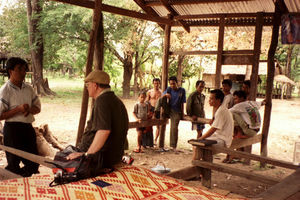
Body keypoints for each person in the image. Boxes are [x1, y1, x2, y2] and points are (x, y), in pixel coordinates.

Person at [66, 70, 129, 177]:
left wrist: (87, 155)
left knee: (62, 160)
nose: (87, 88)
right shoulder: (117, 101)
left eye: (88, 85)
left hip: (101, 159)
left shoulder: (102, 101)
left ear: (95, 85)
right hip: (113, 156)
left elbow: (104, 131)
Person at [0, 57, 41, 177]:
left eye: (24, 69)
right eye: (19, 69)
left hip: (27, 128)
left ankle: (25, 181)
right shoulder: (5, 91)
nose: (23, 73)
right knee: (14, 163)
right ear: (10, 71)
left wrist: (29, 110)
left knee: (33, 162)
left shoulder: (28, 89)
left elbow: (37, 108)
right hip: (12, 129)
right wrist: (17, 110)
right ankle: (15, 186)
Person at [193, 89, 233, 160]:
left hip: (223, 139)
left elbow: (213, 129)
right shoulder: (220, 109)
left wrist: (200, 138)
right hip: (219, 136)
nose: (209, 100)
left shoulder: (221, 111)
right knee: (197, 145)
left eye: (211, 99)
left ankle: (196, 165)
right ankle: (198, 165)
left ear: (218, 100)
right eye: (209, 98)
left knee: (198, 146)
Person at [155, 76, 186, 152]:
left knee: (174, 128)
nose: (172, 85)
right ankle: (157, 111)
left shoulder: (182, 90)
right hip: (168, 109)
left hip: (176, 111)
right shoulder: (169, 89)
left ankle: (173, 146)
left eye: (173, 84)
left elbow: (182, 102)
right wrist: (166, 95)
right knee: (161, 98)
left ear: (177, 83)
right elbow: (162, 96)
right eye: (171, 84)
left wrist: (182, 113)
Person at [146, 78, 162, 146]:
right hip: (151, 109)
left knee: (158, 126)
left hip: (158, 110)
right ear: (153, 83)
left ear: (159, 84)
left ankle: (155, 140)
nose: (156, 85)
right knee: (149, 125)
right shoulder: (149, 92)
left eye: (157, 83)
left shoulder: (161, 92)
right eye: (155, 83)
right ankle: (149, 141)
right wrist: (148, 110)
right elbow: (147, 101)